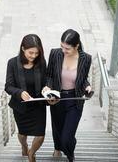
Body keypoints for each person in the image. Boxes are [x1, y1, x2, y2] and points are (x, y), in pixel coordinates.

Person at [42, 29, 92, 162]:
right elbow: (50, 75)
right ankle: (57, 148)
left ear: (77, 46)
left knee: (67, 136)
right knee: (57, 128)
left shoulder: (86, 58)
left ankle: (69, 152)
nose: (63, 50)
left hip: (74, 100)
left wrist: (87, 86)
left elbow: (83, 78)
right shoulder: (55, 53)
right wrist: (48, 86)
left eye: (67, 48)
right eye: (62, 46)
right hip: (57, 98)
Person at [5, 34, 47, 162]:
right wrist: (19, 92)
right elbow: (8, 86)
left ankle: (31, 154)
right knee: (22, 134)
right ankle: (24, 145)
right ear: (23, 49)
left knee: (40, 135)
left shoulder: (42, 62)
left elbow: (47, 81)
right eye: (31, 53)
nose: (34, 56)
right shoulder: (12, 63)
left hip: (38, 106)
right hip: (21, 107)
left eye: (36, 53)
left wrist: (47, 88)